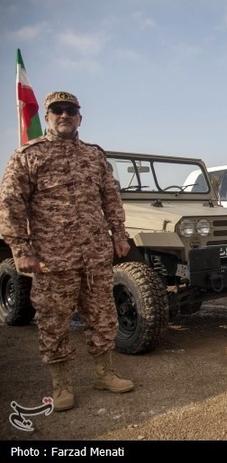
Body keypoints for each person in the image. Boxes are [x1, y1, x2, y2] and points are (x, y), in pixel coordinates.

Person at [0, 91, 134, 412]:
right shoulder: (28, 156)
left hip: (95, 255)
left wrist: (119, 234)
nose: (64, 115)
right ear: (47, 117)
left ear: (79, 117)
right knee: (54, 320)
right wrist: (21, 249)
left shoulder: (94, 156)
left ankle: (104, 373)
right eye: (57, 110)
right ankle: (61, 385)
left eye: (70, 110)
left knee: (103, 315)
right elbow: (11, 204)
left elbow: (110, 198)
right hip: (52, 259)